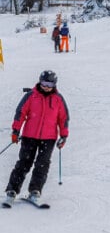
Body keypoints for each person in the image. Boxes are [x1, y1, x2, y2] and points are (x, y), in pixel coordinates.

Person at [4, 70, 69, 206]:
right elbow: (20, 113)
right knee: (24, 163)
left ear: (54, 84)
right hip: (29, 136)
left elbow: (63, 119)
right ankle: (12, 190)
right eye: (44, 83)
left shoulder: (58, 99)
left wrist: (63, 135)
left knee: (42, 164)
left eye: (49, 84)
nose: (46, 86)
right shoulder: (31, 96)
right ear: (40, 81)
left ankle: (35, 190)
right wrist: (16, 130)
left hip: (49, 138)